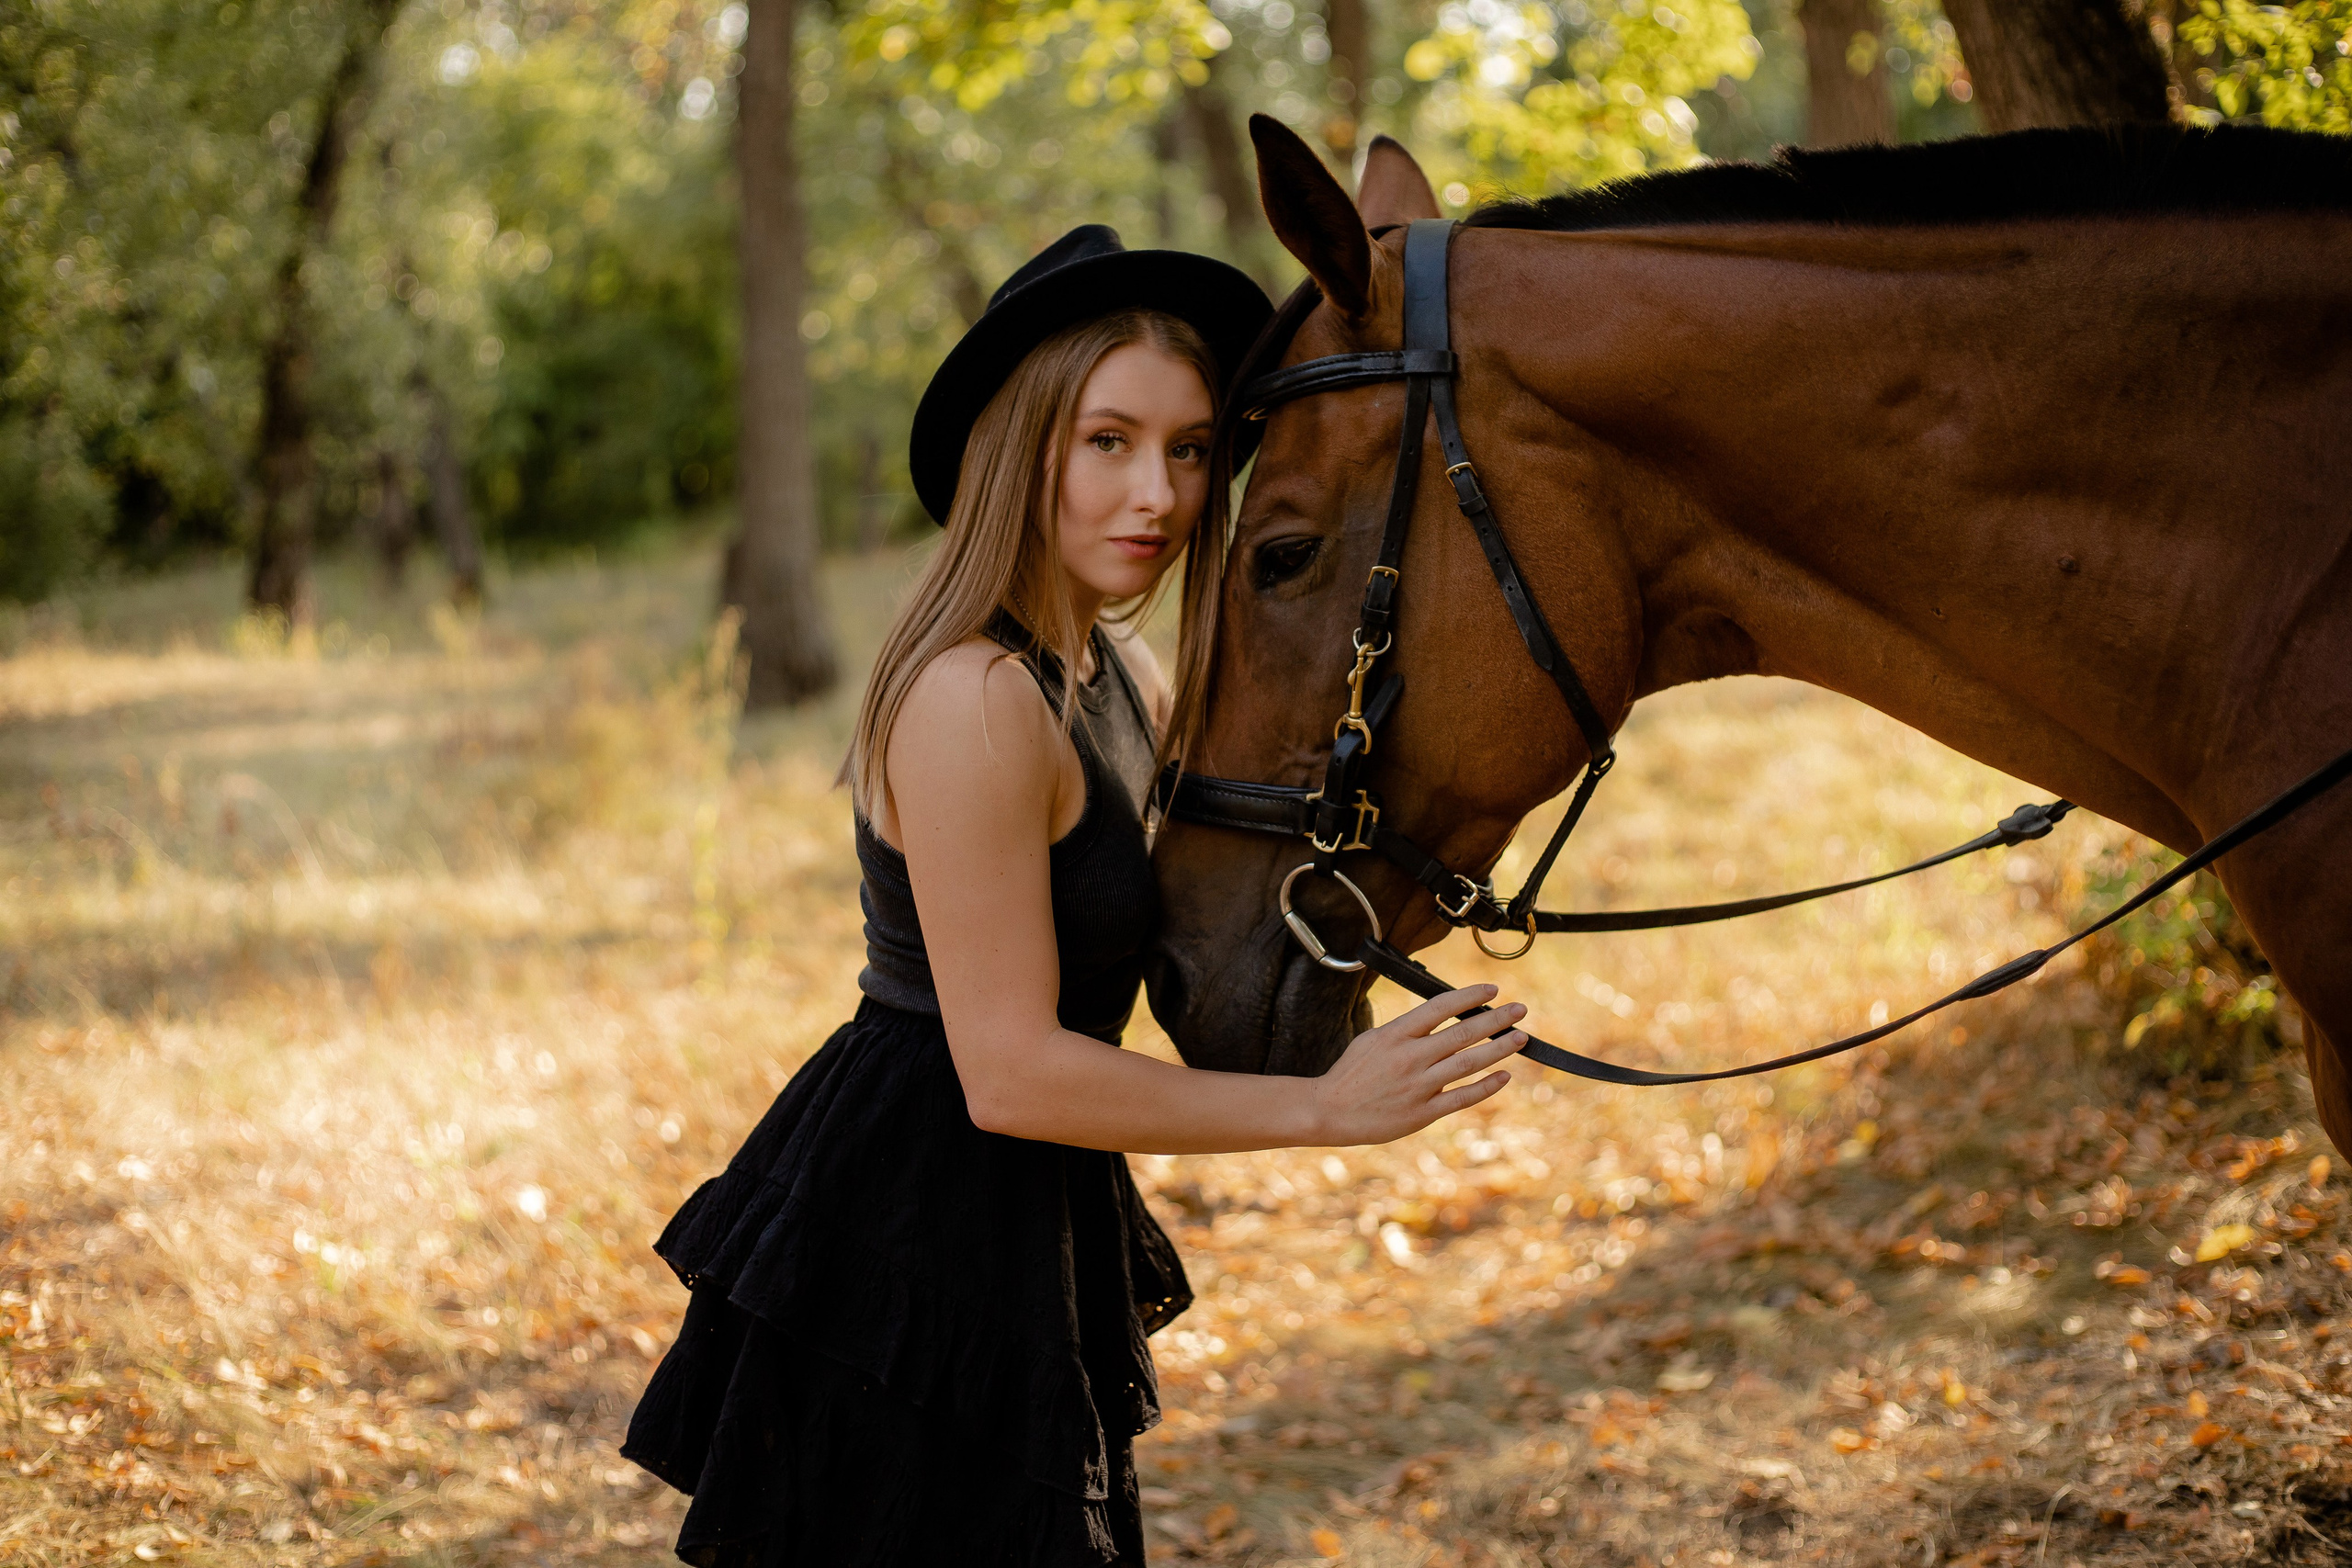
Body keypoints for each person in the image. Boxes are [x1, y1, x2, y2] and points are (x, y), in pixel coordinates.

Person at [620, 226, 1529, 1567]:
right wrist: (1324, 1112)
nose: (1153, 492)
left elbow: (1197, 923)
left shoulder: (1119, 679)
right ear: (1022, 447)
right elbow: (1011, 1072)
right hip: (920, 1217)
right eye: (1107, 441)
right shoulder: (976, 699)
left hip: (1031, 1212)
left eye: (1187, 448)